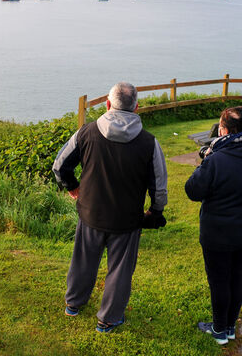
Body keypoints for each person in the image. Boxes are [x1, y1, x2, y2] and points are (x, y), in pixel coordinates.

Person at [52, 82, 168, 333]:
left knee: (83, 261)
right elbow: (159, 186)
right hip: (127, 220)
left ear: (107, 103)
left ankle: (73, 304)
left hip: (90, 212)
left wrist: (72, 187)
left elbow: (60, 165)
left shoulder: (86, 132)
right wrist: (156, 212)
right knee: (120, 270)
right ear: (137, 107)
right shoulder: (149, 143)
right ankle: (108, 319)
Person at [185, 106, 242, 345]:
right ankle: (230, 327)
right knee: (235, 277)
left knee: (219, 280)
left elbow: (192, 190)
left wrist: (204, 161)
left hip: (218, 231)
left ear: (225, 130)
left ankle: (219, 330)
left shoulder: (217, 158)